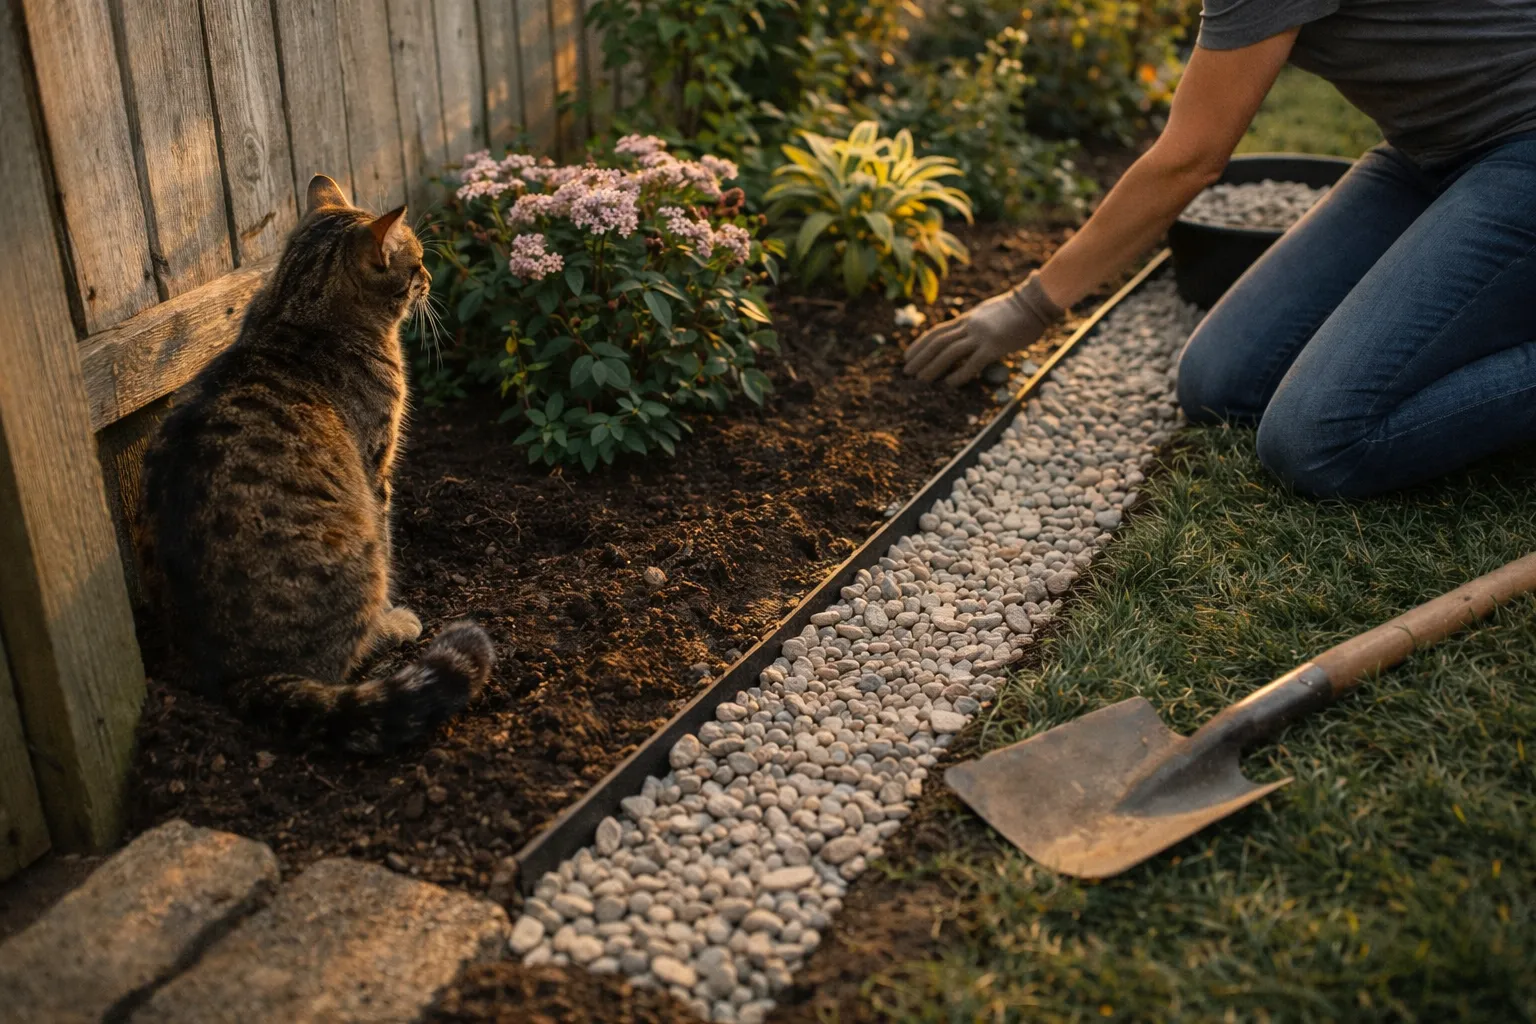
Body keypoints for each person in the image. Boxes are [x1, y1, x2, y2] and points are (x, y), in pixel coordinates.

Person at [904, 0, 1536, 499]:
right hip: (1428, 154)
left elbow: (1191, 158)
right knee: (1222, 381)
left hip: (1521, 150)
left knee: (1317, 440)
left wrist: (1030, 306)